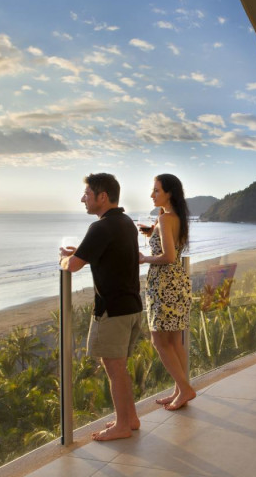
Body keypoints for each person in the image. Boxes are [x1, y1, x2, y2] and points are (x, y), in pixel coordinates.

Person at [59, 173, 143, 441]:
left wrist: (63, 259)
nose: (82, 199)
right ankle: (130, 419)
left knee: (114, 368)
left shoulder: (101, 227)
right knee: (120, 367)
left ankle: (121, 426)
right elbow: (107, 255)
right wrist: (80, 252)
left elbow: (72, 266)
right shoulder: (126, 222)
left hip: (112, 310)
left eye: (87, 194)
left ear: (102, 196)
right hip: (131, 305)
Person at [138, 173, 197, 410]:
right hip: (178, 283)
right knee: (174, 341)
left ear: (169, 193)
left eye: (156, 190)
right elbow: (174, 247)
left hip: (164, 285)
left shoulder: (165, 219)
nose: (152, 194)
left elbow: (169, 257)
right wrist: (152, 233)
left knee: (159, 341)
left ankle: (185, 389)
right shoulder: (176, 218)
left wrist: (144, 258)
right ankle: (179, 389)